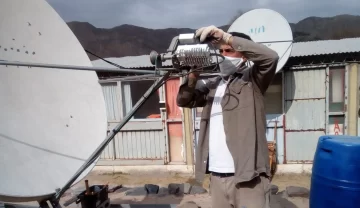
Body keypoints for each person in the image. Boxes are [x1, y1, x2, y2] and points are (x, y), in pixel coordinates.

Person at [176, 25, 279, 208]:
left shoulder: (252, 81)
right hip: (216, 176)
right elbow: (184, 100)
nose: (223, 55)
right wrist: (193, 73)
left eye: (229, 51)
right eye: (221, 50)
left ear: (244, 54)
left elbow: (270, 58)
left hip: (249, 177)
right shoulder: (212, 85)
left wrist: (226, 37)